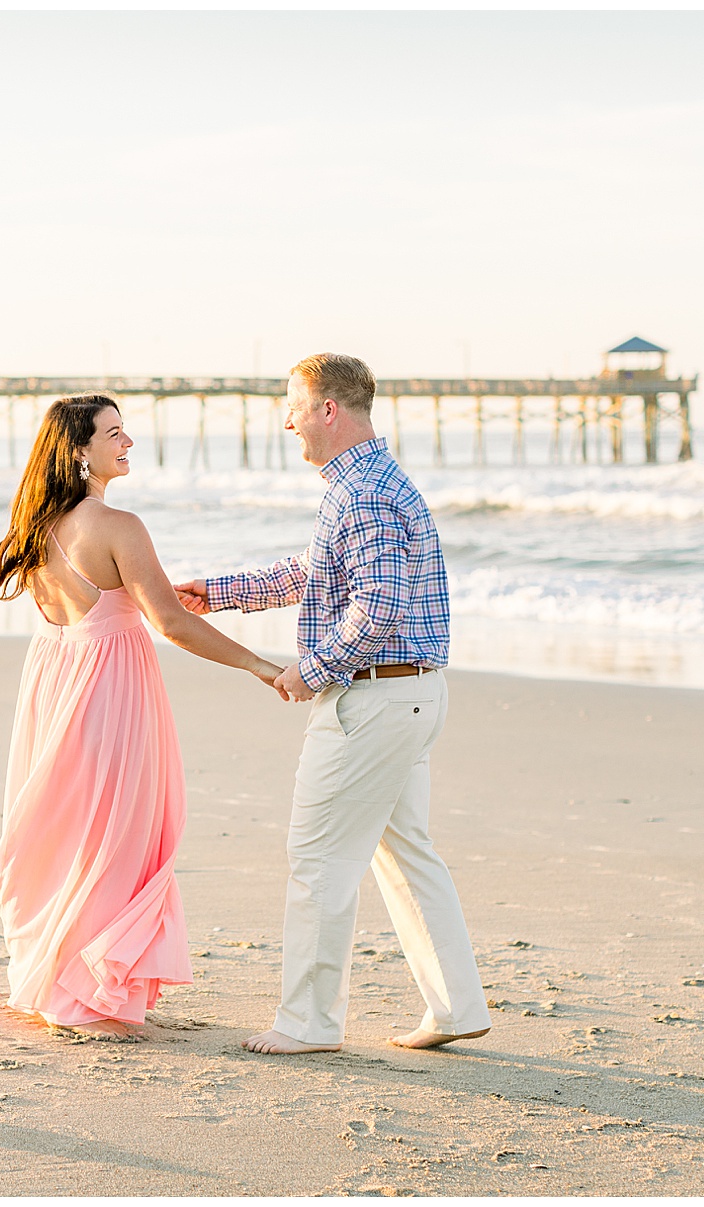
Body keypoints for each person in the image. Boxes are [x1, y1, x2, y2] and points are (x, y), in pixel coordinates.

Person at [173, 353, 492, 1055]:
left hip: (376, 698)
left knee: (318, 856)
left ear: (327, 409)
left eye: (293, 404)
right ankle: (457, 1004)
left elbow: (377, 608)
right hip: (407, 694)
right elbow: (316, 575)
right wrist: (218, 592)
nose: (285, 419)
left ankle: (307, 1023)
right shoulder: (361, 484)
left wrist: (309, 670)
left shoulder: (366, 493)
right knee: (405, 850)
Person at [0, 395, 285, 1041]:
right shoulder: (118, 525)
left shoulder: (35, 523)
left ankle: (66, 980)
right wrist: (259, 664)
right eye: (114, 433)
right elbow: (169, 622)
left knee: (74, 833)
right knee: (118, 835)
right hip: (109, 687)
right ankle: (93, 990)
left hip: (58, 681)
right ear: (79, 450)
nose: (129, 442)